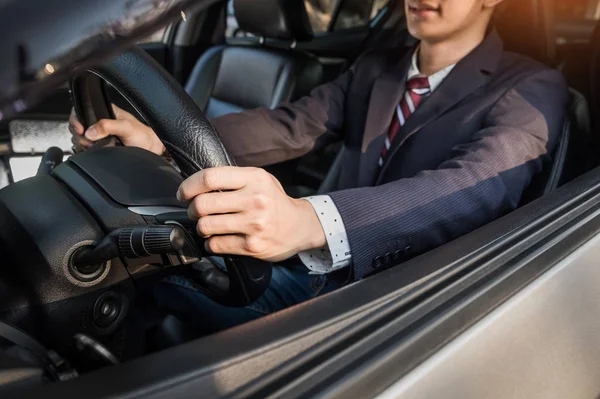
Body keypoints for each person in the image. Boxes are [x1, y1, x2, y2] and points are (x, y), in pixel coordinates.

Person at [70, 0, 568, 335]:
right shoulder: (379, 67)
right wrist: (161, 140)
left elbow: (472, 188)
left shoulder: (531, 89)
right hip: (313, 276)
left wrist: (309, 221)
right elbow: (293, 125)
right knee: (126, 275)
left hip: (409, 306)